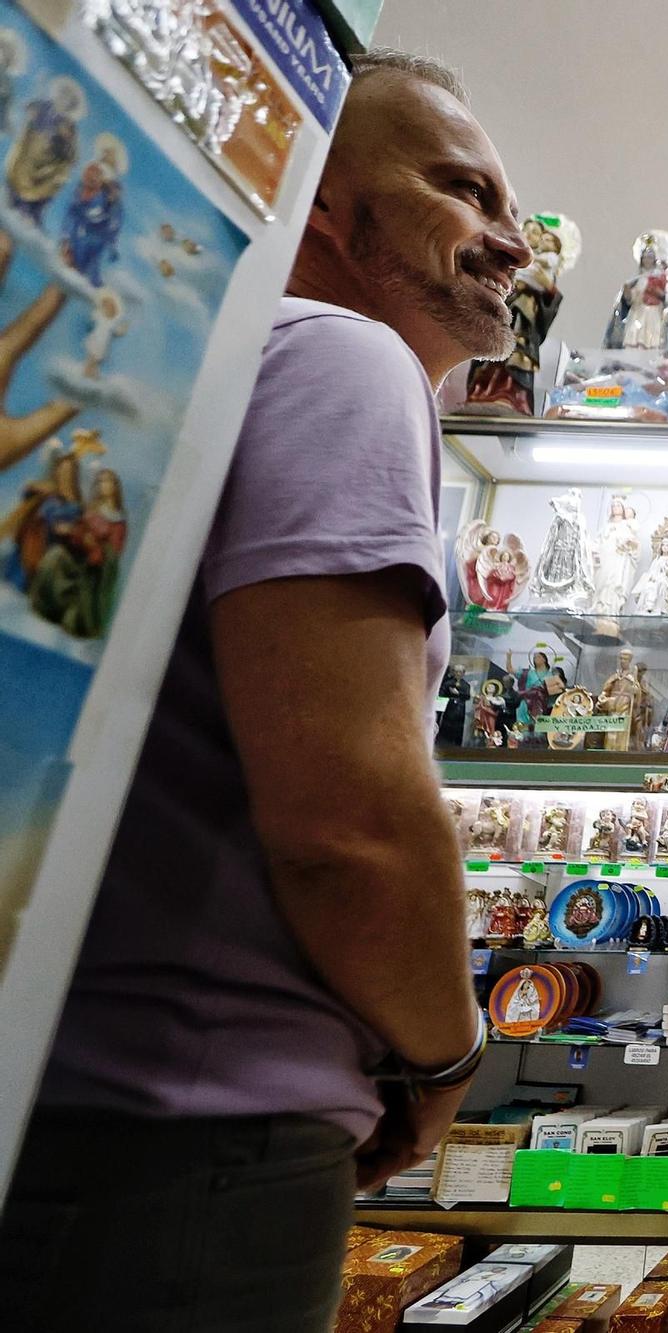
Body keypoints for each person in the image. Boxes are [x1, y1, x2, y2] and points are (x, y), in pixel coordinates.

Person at [0, 51, 531, 1331]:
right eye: (463, 190)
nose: (512, 242)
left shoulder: (186, 373)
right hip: (202, 1136)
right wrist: (447, 1052)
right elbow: (347, 820)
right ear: (329, 208)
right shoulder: (343, 359)